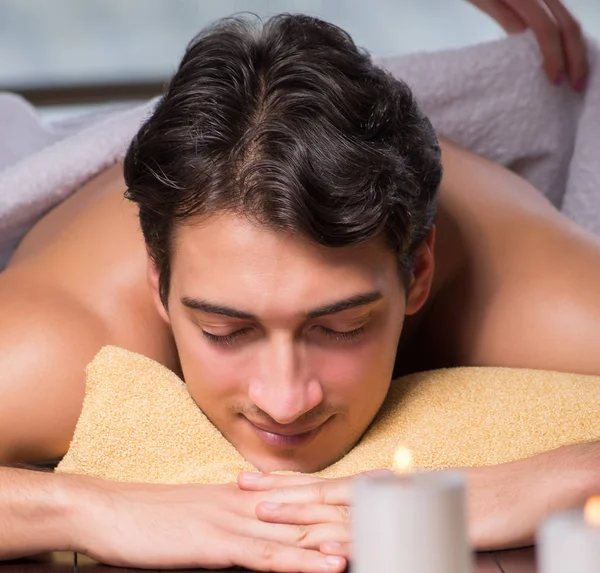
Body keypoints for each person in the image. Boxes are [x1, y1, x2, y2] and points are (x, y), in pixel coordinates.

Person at [0, 3, 597, 571]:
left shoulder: (534, 302)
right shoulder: (60, 341)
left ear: (417, 275)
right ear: (159, 285)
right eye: (225, 332)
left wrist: (559, 478)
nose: (286, 402)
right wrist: (83, 508)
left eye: (340, 328)